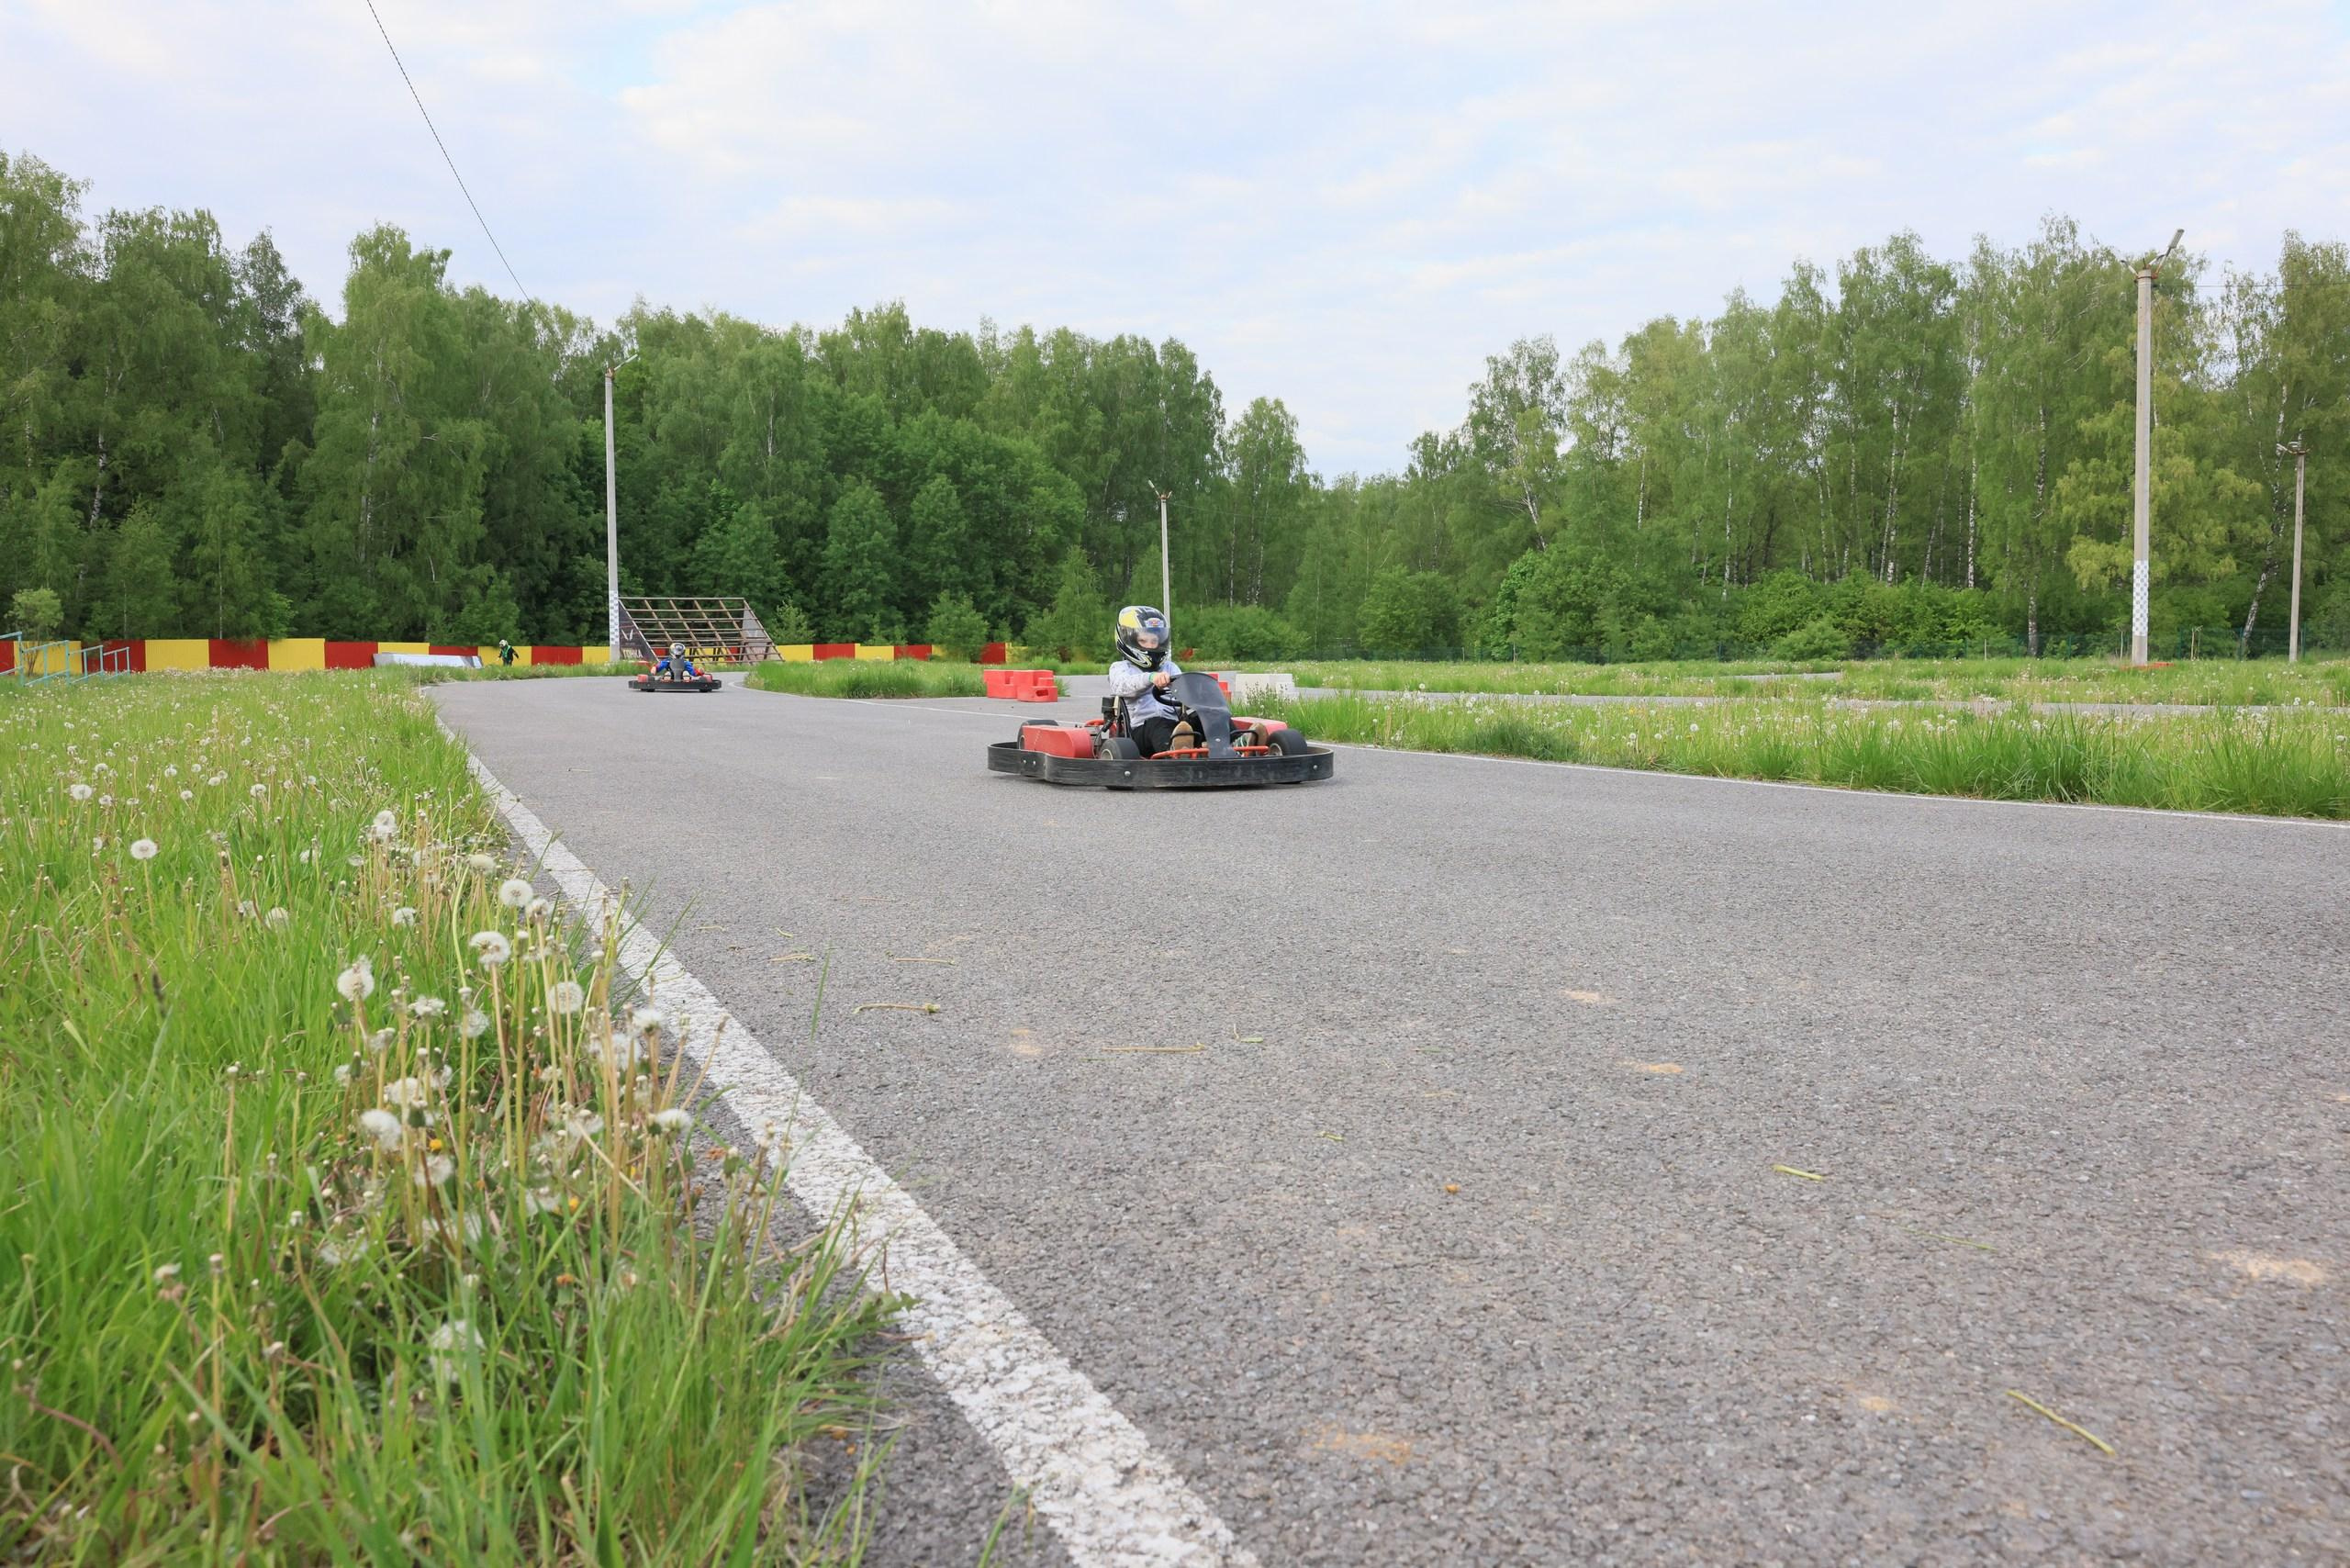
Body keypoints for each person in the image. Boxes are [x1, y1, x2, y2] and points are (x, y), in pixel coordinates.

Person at [1104, 605, 1198, 754]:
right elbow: (1121, 686)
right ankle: (1175, 754)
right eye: (1144, 640)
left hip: (1176, 727)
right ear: (1130, 640)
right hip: (1140, 732)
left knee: (1204, 715)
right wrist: (1151, 677)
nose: (1150, 646)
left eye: (1154, 641)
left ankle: (1237, 745)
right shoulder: (1120, 668)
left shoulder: (1170, 668)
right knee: (1158, 722)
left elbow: (1185, 693)